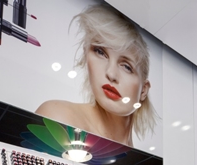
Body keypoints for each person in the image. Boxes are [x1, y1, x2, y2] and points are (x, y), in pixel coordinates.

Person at [35, 4, 157, 147]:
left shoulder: (137, 155)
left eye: (126, 66)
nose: (111, 73)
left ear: (143, 90)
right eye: (100, 52)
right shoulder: (58, 118)